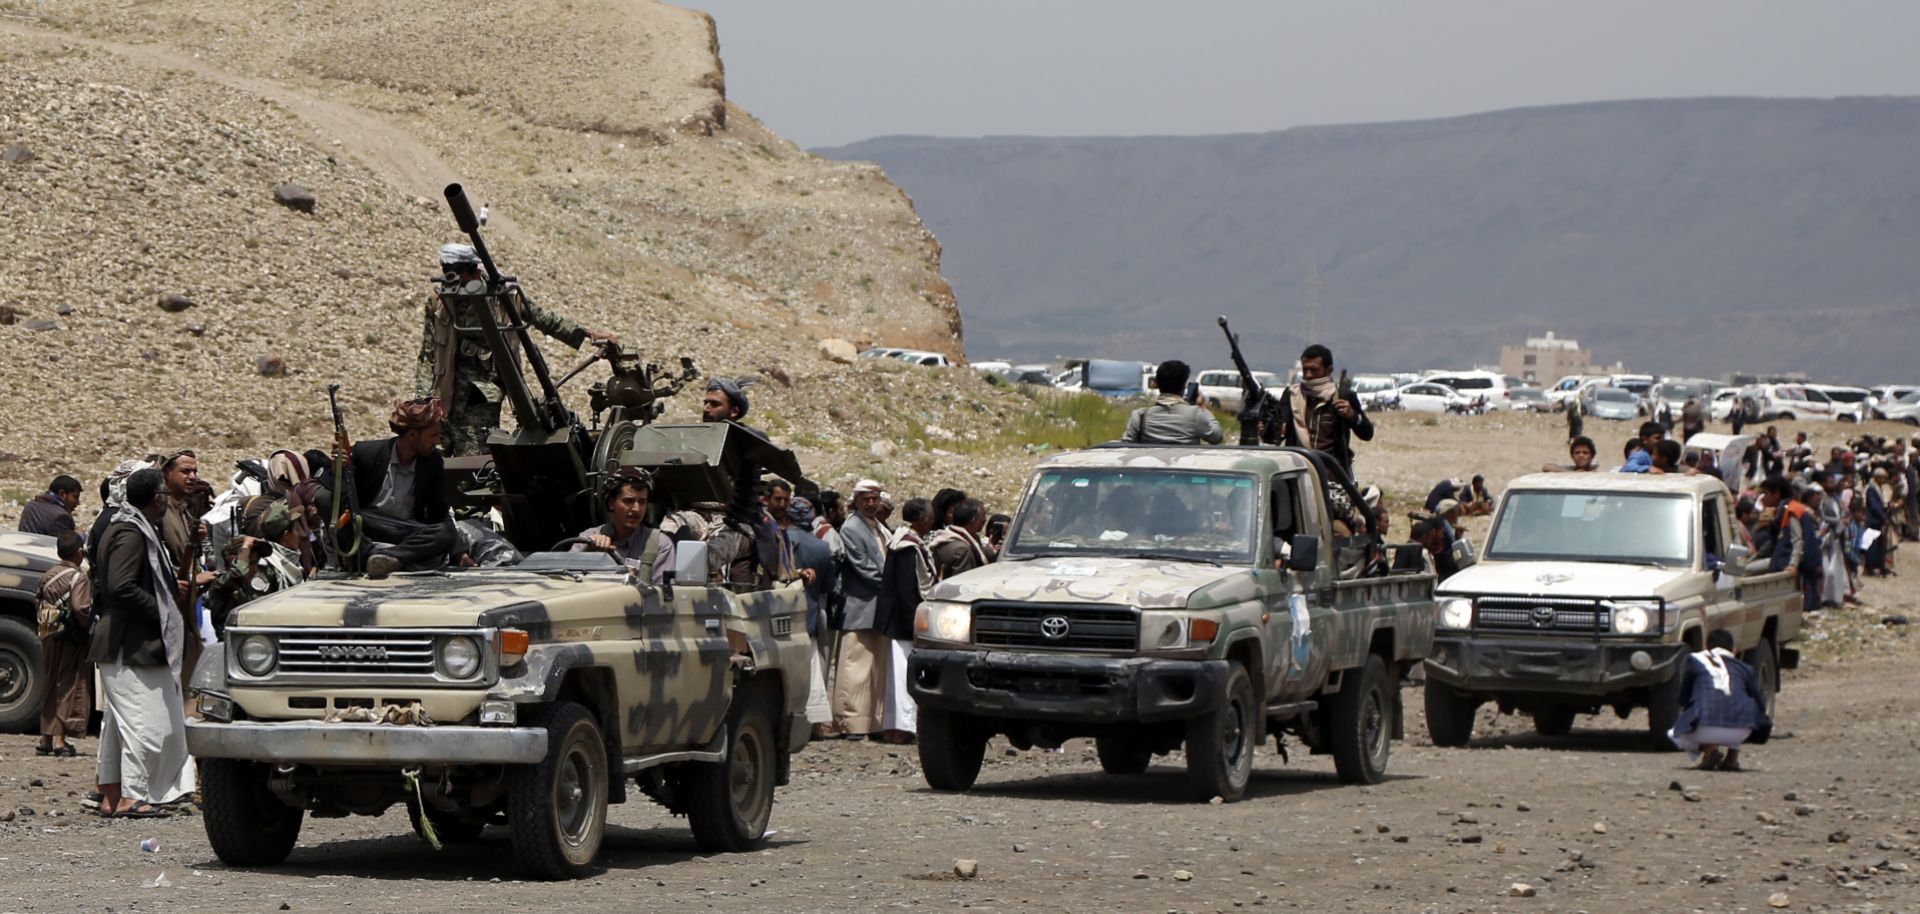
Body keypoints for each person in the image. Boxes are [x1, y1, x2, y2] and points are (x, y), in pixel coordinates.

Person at [417, 242, 619, 457]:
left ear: (475, 272)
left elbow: (541, 317)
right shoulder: (440, 303)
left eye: (458, 275)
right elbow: (429, 352)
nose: (452, 282)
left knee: (474, 446)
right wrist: (422, 397)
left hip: (485, 384)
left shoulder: (503, 296)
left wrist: (587, 333)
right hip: (450, 384)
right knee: (445, 441)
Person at [87, 468, 195, 818]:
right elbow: (119, 586)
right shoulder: (131, 532)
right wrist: (162, 609)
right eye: (163, 491)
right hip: (129, 644)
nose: (166, 497)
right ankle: (134, 796)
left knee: (121, 727)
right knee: (147, 725)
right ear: (155, 497)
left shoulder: (132, 528)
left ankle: (113, 797)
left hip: (128, 642)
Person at [342, 397, 465, 577]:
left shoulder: (432, 462)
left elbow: (439, 513)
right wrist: (338, 470)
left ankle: (388, 558)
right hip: (368, 525)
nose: (437, 442)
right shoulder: (367, 453)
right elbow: (341, 497)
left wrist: (458, 550)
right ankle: (370, 555)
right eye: (433, 435)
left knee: (446, 533)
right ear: (412, 434)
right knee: (329, 501)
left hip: (407, 531)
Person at [873, 497, 935, 744]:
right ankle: (904, 727)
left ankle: (899, 726)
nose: (931, 521)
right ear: (919, 519)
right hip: (904, 622)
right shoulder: (907, 547)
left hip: (901, 620)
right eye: (929, 516)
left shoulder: (905, 541)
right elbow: (907, 590)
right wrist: (915, 624)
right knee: (903, 676)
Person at [832, 480, 890, 738]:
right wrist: (894, 585)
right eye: (865, 498)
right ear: (855, 500)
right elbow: (864, 568)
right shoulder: (852, 528)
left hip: (878, 607)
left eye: (875, 498)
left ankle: (873, 723)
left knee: (876, 669)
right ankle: (851, 722)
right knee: (855, 668)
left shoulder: (877, 527)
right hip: (860, 606)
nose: (870, 503)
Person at [1668, 630, 1769, 771]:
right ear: (1733, 650)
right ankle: (1731, 759)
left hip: (1705, 728)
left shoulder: (1695, 660)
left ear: (1706, 647)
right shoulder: (1745, 668)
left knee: (1674, 734)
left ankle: (1710, 749)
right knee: (1738, 708)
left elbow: (1684, 698)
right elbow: (1760, 704)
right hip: (1741, 732)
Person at [203, 504, 307, 639]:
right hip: (234, 646)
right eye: (251, 563)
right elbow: (239, 572)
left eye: (256, 563)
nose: (255, 569)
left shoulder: (272, 571)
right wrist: (245, 546)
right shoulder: (222, 583)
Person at [782, 497, 840, 739]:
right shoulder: (822, 547)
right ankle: (815, 725)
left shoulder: (782, 540)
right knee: (814, 670)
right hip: (812, 612)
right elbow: (829, 586)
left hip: (784, 613)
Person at [1273, 344, 1374, 475]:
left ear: (1329, 370)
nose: (1308, 375)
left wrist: (1353, 416)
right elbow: (1278, 430)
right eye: (1305, 370)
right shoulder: (1292, 395)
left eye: (1314, 370)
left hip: (1333, 474)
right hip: (1298, 474)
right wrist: (1272, 428)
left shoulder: (1344, 397)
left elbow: (1367, 434)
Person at [35, 531, 92, 758]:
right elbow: (80, 608)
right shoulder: (79, 577)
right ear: (79, 553)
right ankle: (60, 740)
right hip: (69, 637)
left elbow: (38, 601)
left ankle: (45, 738)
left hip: (48, 634)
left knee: (49, 682)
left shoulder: (48, 575)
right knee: (68, 684)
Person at [572, 468, 675, 584]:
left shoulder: (660, 545)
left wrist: (633, 583)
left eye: (642, 502)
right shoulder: (588, 538)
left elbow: (663, 597)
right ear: (611, 503)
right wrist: (588, 553)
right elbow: (565, 581)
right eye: (628, 501)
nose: (636, 509)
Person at [1121, 360, 1223, 445]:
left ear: (1157, 384)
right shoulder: (1195, 415)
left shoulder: (1139, 417)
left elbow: (1126, 446)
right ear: (1183, 386)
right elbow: (1217, 437)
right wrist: (1202, 407)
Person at [929, 498, 992, 580]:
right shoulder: (961, 549)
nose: (985, 519)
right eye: (983, 515)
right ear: (973, 521)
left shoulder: (945, 537)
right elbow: (962, 583)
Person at [19, 474, 82, 539]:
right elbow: (67, 546)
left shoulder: (30, 505)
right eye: (75, 497)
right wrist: (79, 537)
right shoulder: (61, 516)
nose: (77, 503)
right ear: (62, 494)